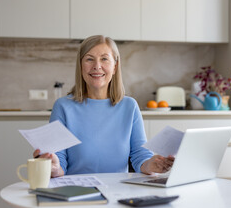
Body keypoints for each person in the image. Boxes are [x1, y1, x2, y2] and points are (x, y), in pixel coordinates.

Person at [33, 35, 174, 177]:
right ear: (80, 65)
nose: (97, 66)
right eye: (89, 59)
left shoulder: (129, 106)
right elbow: (59, 162)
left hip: (118, 190)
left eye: (104, 59)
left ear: (115, 66)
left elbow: (140, 156)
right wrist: (53, 167)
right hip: (76, 190)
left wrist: (152, 164)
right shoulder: (63, 107)